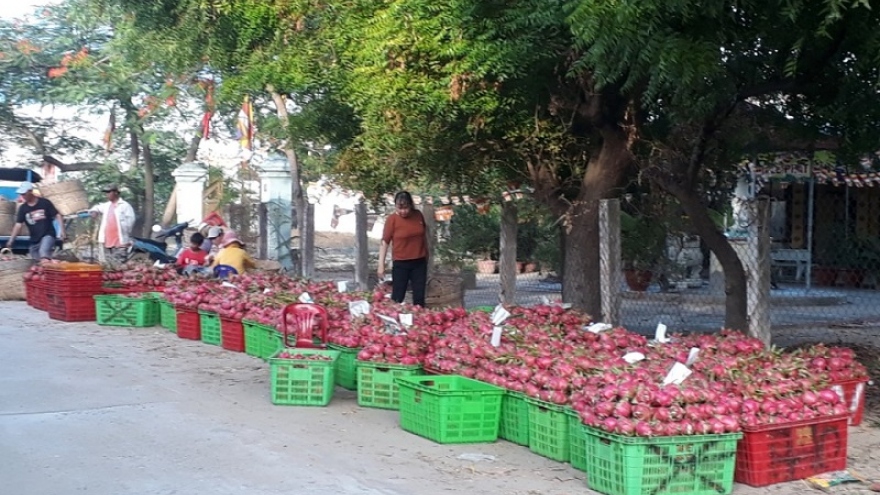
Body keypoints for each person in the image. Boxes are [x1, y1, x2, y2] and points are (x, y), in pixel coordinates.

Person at [378, 191, 428, 307]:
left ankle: (419, 321)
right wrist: (381, 265)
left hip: (419, 262)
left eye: (405, 208)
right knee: (397, 296)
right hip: (401, 263)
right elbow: (385, 242)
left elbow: (423, 236)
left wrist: (427, 255)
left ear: (411, 205)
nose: (403, 211)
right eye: (399, 208)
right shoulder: (392, 219)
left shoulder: (418, 215)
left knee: (419, 298)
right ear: (395, 206)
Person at [5, 181, 65, 260]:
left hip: (47, 234)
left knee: (43, 253)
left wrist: (62, 231)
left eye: (24, 194)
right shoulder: (23, 208)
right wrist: (11, 240)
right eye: (21, 194)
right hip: (34, 239)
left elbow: (57, 215)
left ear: (30, 191)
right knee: (35, 261)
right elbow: (18, 225)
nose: (22, 196)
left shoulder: (44, 203)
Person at [89, 183, 136, 258]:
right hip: (107, 242)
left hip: (120, 242)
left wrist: (125, 232)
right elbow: (96, 207)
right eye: (106, 192)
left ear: (116, 193)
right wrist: (94, 211)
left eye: (109, 192)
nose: (107, 194)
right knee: (108, 265)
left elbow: (131, 221)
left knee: (119, 264)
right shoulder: (106, 205)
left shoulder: (125, 205)